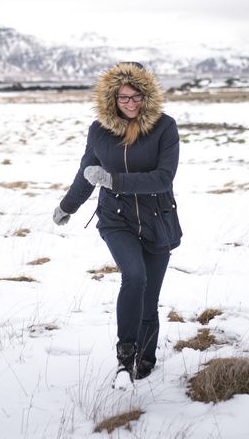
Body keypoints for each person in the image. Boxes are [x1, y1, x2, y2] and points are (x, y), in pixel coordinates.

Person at [53, 61, 182, 386]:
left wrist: (113, 180)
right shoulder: (99, 131)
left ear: (147, 96)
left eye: (136, 96)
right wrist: (68, 205)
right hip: (116, 220)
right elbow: (87, 172)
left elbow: (163, 179)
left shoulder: (165, 128)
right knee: (134, 277)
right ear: (112, 97)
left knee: (149, 301)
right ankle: (125, 358)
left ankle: (145, 359)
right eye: (123, 97)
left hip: (157, 221)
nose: (130, 103)